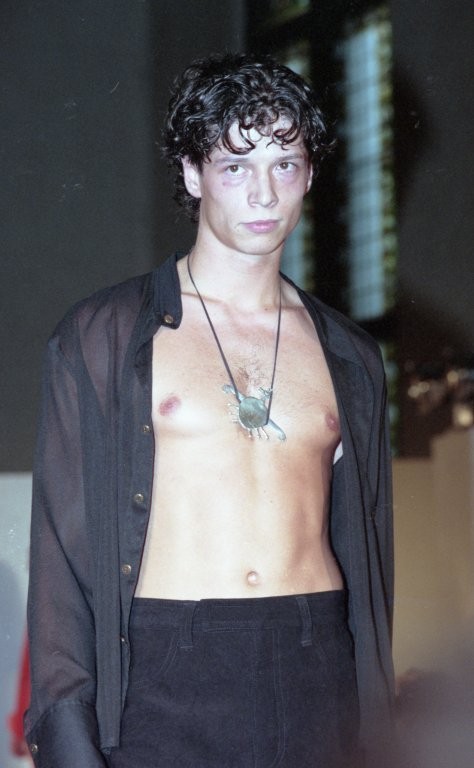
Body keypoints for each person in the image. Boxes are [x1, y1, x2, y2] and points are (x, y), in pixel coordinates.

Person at [25, 53, 395, 767]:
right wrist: (69, 739)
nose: (263, 193)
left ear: (309, 175)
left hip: (316, 667)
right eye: (234, 166)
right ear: (193, 174)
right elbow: (62, 560)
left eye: (284, 164)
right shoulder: (103, 337)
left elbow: (370, 559)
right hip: (171, 677)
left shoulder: (349, 354)